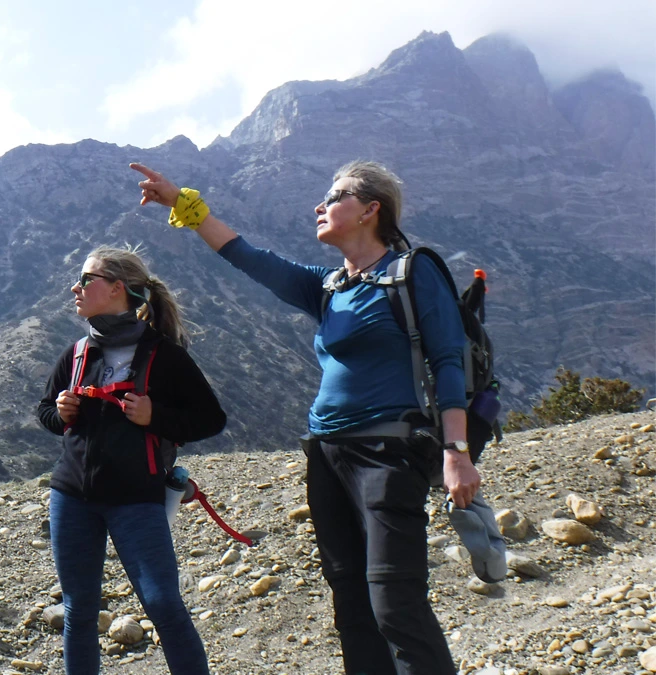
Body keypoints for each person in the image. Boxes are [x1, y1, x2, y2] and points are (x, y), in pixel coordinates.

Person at [129, 161, 479, 675]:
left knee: (395, 602)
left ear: (370, 210)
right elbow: (248, 256)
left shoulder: (412, 271)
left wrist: (457, 453)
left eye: (334, 197)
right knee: (351, 605)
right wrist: (181, 200)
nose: (319, 206)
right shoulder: (330, 286)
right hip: (326, 454)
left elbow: (448, 360)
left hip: (388, 451)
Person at [36, 245, 226, 675]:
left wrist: (154, 416)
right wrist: (60, 412)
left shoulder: (166, 356)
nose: (75, 288)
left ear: (117, 288)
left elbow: (211, 419)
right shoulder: (77, 352)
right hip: (71, 496)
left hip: (136, 499)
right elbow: (46, 410)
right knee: (78, 610)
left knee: (162, 604)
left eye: (86, 280)